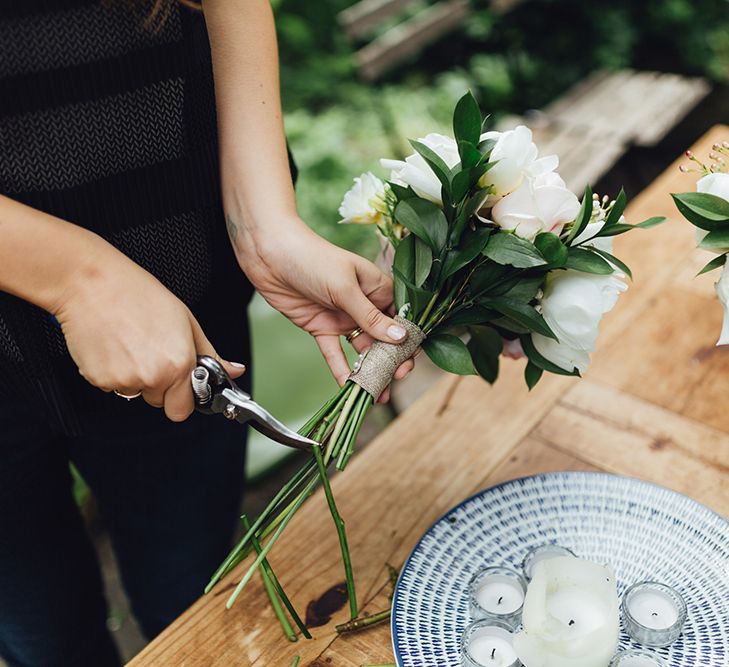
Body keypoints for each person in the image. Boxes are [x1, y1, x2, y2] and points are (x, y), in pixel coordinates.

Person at [0, 1, 413, 665]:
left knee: (194, 604)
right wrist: (76, 277)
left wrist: (265, 224)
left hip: (181, 330)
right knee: (43, 639)